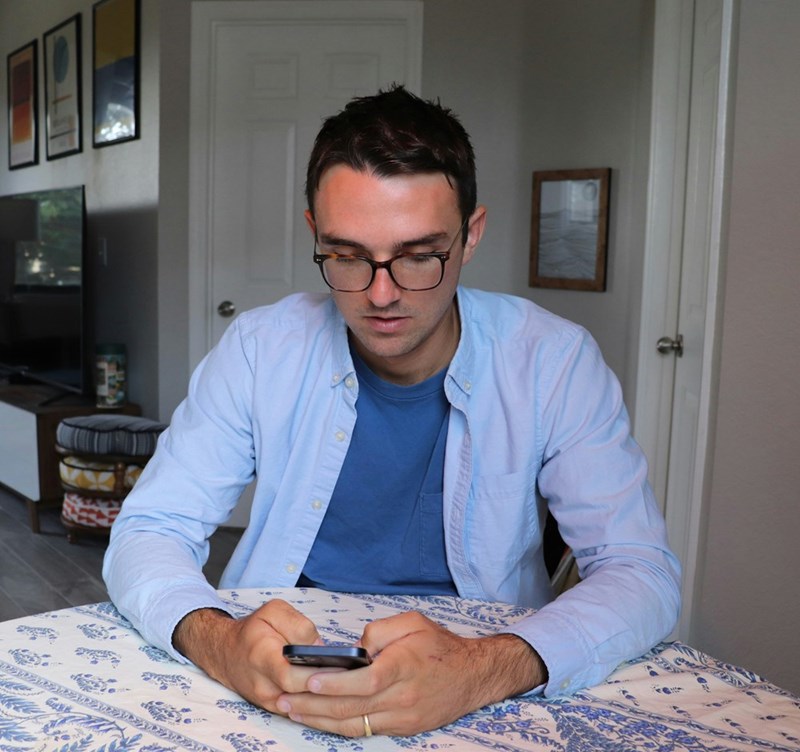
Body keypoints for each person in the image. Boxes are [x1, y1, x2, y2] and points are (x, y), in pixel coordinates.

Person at [104, 85, 680, 738]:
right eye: (347, 256)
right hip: (283, 666)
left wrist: (482, 670)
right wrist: (221, 644)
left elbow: (641, 572)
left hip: (479, 674)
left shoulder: (554, 361)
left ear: (471, 236)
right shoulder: (261, 348)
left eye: (418, 256)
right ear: (314, 235)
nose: (381, 295)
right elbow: (149, 529)